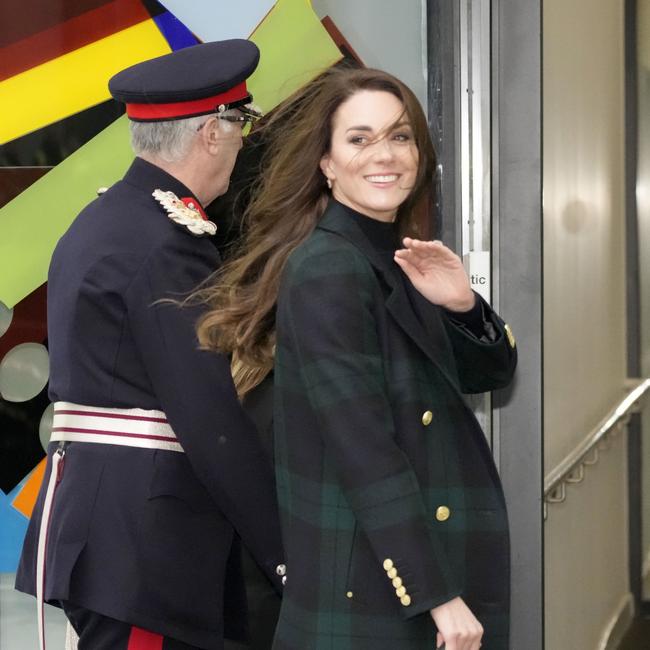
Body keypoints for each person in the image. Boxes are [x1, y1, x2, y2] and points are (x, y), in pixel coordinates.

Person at [196, 65, 518, 650]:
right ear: (326, 163)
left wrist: (463, 306)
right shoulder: (329, 268)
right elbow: (362, 446)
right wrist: (436, 594)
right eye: (359, 139)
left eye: (400, 136)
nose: (385, 155)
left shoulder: (391, 255)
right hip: (376, 594)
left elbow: (490, 374)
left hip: (394, 580)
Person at [15, 39, 285, 650]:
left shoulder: (110, 219)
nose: (242, 143)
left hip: (109, 528)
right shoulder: (166, 241)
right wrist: (283, 552)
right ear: (212, 133)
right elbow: (208, 417)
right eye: (239, 124)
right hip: (145, 547)